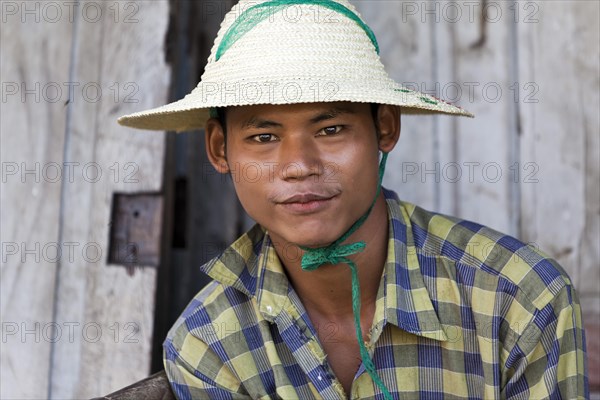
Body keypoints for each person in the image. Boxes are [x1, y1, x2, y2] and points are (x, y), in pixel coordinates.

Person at [118, 0, 588, 398]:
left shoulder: (519, 298)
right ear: (220, 150)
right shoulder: (209, 342)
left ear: (385, 128)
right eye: (263, 136)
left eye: (331, 129)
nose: (299, 164)